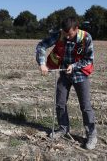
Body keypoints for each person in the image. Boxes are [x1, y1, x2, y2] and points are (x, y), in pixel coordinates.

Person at [35, 16, 97, 150]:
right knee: (60, 103)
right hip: (63, 75)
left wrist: (74, 66)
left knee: (85, 106)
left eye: (70, 34)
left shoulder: (86, 38)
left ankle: (91, 135)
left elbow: (89, 59)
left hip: (81, 75)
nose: (67, 37)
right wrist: (42, 63)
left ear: (76, 29)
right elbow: (41, 45)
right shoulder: (60, 34)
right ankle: (63, 128)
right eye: (65, 34)